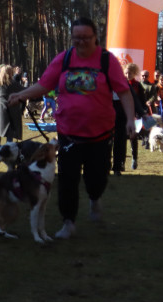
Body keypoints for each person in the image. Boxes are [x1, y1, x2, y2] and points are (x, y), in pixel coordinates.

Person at [9, 17, 135, 240]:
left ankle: (94, 198)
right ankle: (69, 222)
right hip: (69, 134)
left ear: (96, 37)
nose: (81, 42)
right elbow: (44, 84)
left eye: (86, 38)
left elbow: (124, 91)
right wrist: (21, 94)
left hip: (101, 134)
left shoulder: (107, 61)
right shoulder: (64, 59)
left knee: (97, 178)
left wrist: (130, 120)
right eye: (77, 38)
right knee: (68, 180)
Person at [0, 65, 24, 152]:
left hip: (0, 107)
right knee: (10, 130)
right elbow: (23, 90)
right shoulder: (13, 83)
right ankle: (8, 149)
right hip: (11, 108)